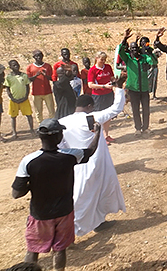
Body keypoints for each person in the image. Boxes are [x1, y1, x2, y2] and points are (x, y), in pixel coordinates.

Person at [11, 118, 100, 271]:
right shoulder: (70, 156)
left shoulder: (28, 161)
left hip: (40, 214)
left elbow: (16, 193)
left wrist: (32, 184)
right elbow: (90, 151)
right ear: (59, 136)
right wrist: (97, 133)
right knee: (60, 249)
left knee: (33, 249)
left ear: (40, 136)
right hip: (64, 212)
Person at [58, 78, 127, 236]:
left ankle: (99, 221)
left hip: (75, 164)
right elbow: (116, 108)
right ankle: (69, 231)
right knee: (83, 198)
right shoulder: (92, 118)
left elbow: (60, 145)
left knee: (94, 194)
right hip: (95, 163)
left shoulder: (62, 122)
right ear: (90, 106)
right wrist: (119, 88)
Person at [119, 28, 152, 135]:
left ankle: (146, 128)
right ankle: (138, 129)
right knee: (136, 110)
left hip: (144, 88)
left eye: (136, 48)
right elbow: (120, 51)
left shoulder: (143, 57)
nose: (134, 50)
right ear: (129, 49)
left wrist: (150, 60)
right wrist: (124, 38)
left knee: (146, 109)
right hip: (133, 89)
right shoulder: (128, 58)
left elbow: (152, 61)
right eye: (132, 48)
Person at [88, 52, 116, 143]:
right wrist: (103, 86)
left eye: (104, 60)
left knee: (108, 115)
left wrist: (114, 82)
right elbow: (90, 85)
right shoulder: (92, 70)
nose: (103, 62)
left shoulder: (107, 67)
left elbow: (112, 78)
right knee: (99, 116)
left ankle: (106, 135)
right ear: (96, 58)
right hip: (98, 96)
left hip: (109, 94)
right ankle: (98, 137)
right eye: (101, 60)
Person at [6, 59, 34, 137]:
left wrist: (26, 96)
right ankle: (14, 132)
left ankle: (32, 130)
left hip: (24, 99)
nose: (16, 66)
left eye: (17, 64)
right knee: (13, 116)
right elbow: (8, 88)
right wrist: (12, 98)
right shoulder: (9, 77)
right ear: (10, 67)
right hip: (13, 100)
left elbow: (27, 86)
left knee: (29, 114)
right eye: (14, 65)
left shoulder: (24, 76)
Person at [27, 50, 54, 123]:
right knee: (38, 110)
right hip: (36, 93)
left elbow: (52, 78)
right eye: (36, 56)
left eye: (40, 55)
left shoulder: (47, 66)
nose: (39, 57)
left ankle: (52, 123)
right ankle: (40, 124)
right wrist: (36, 75)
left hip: (47, 91)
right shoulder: (30, 67)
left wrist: (46, 75)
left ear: (43, 56)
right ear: (33, 57)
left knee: (51, 109)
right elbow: (29, 80)